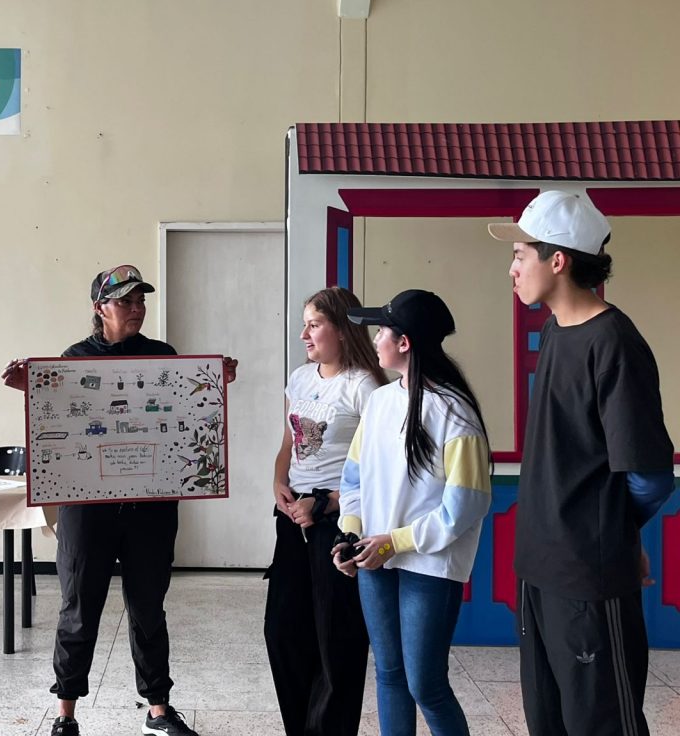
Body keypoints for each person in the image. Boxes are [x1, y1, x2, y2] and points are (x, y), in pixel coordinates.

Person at [2, 265, 237, 736]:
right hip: (87, 510)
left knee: (148, 608)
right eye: (125, 301)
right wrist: (33, 389)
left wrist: (213, 385)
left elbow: (187, 417)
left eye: (140, 300)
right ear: (100, 308)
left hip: (151, 509)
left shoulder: (163, 356)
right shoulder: (73, 359)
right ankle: (65, 715)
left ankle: (158, 710)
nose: (136, 308)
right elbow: (61, 424)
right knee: (78, 608)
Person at [488, 191, 674, 736]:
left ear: (558, 260)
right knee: (548, 719)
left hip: (587, 578)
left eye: (520, 255)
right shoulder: (553, 330)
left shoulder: (613, 342)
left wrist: (611, 533)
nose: (512, 268)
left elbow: (650, 476)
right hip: (537, 568)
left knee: (602, 722)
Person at [332, 289, 491, 736]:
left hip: (429, 565)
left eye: (381, 331)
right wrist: (351, 534)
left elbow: (465, 505)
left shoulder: (455, 411)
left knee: (426, 685)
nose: (375, 339)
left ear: (404, 342)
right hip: (375, 559)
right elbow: (353, 479)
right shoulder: (380, 402)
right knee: (389, 674)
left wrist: (395, 541)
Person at [265, 287, 383, 736]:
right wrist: (279, 482)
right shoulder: (299, 379)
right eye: (305, 324)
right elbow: (287, 444)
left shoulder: (364, 386)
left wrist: (328, 500)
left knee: (335, 638)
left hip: (337, 519)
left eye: (314, 325)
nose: (304, 335)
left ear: (343, 328)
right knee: (282, 630)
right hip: (293, 515)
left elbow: (378, 467)